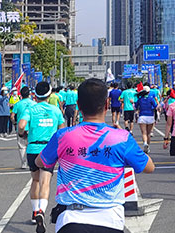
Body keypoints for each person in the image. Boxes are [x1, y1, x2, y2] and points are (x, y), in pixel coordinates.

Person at [38, 78, 155, 233]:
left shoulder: (63, 136)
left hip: (70, 221)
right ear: (106, 104)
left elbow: (41, 161)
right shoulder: (121, 138)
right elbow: (149, 167)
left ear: (78, 106)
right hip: (110, 220)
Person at [18, 82, 66, 232]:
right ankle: (41, 211)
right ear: (49, 94)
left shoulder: (30, 109)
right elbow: (62, 129)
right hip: (49, 149)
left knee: (35, 180)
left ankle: (34, 212)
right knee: (45, 182)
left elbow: (21, 125)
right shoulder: (55, 110)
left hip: (33, 148)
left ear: (36, 94)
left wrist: (22, 134)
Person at [12, 86, 37, 169]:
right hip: (32, 127)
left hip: (21, 127)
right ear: (29, 94)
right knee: (31, 145)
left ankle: (24, 163)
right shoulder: (34, 104)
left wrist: (15, 123)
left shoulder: (18, 104)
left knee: (22, 146)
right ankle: (31, 162)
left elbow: (12, 116)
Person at [135, 83, 158, 153]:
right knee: (148, 133)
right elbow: (155, 106)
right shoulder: (151, 99)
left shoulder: (140, 99)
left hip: (142, 116)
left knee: (144, 133)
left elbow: (136, 106)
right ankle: (148, 146)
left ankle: (145, 143)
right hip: (150, 116)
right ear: (148, 92)